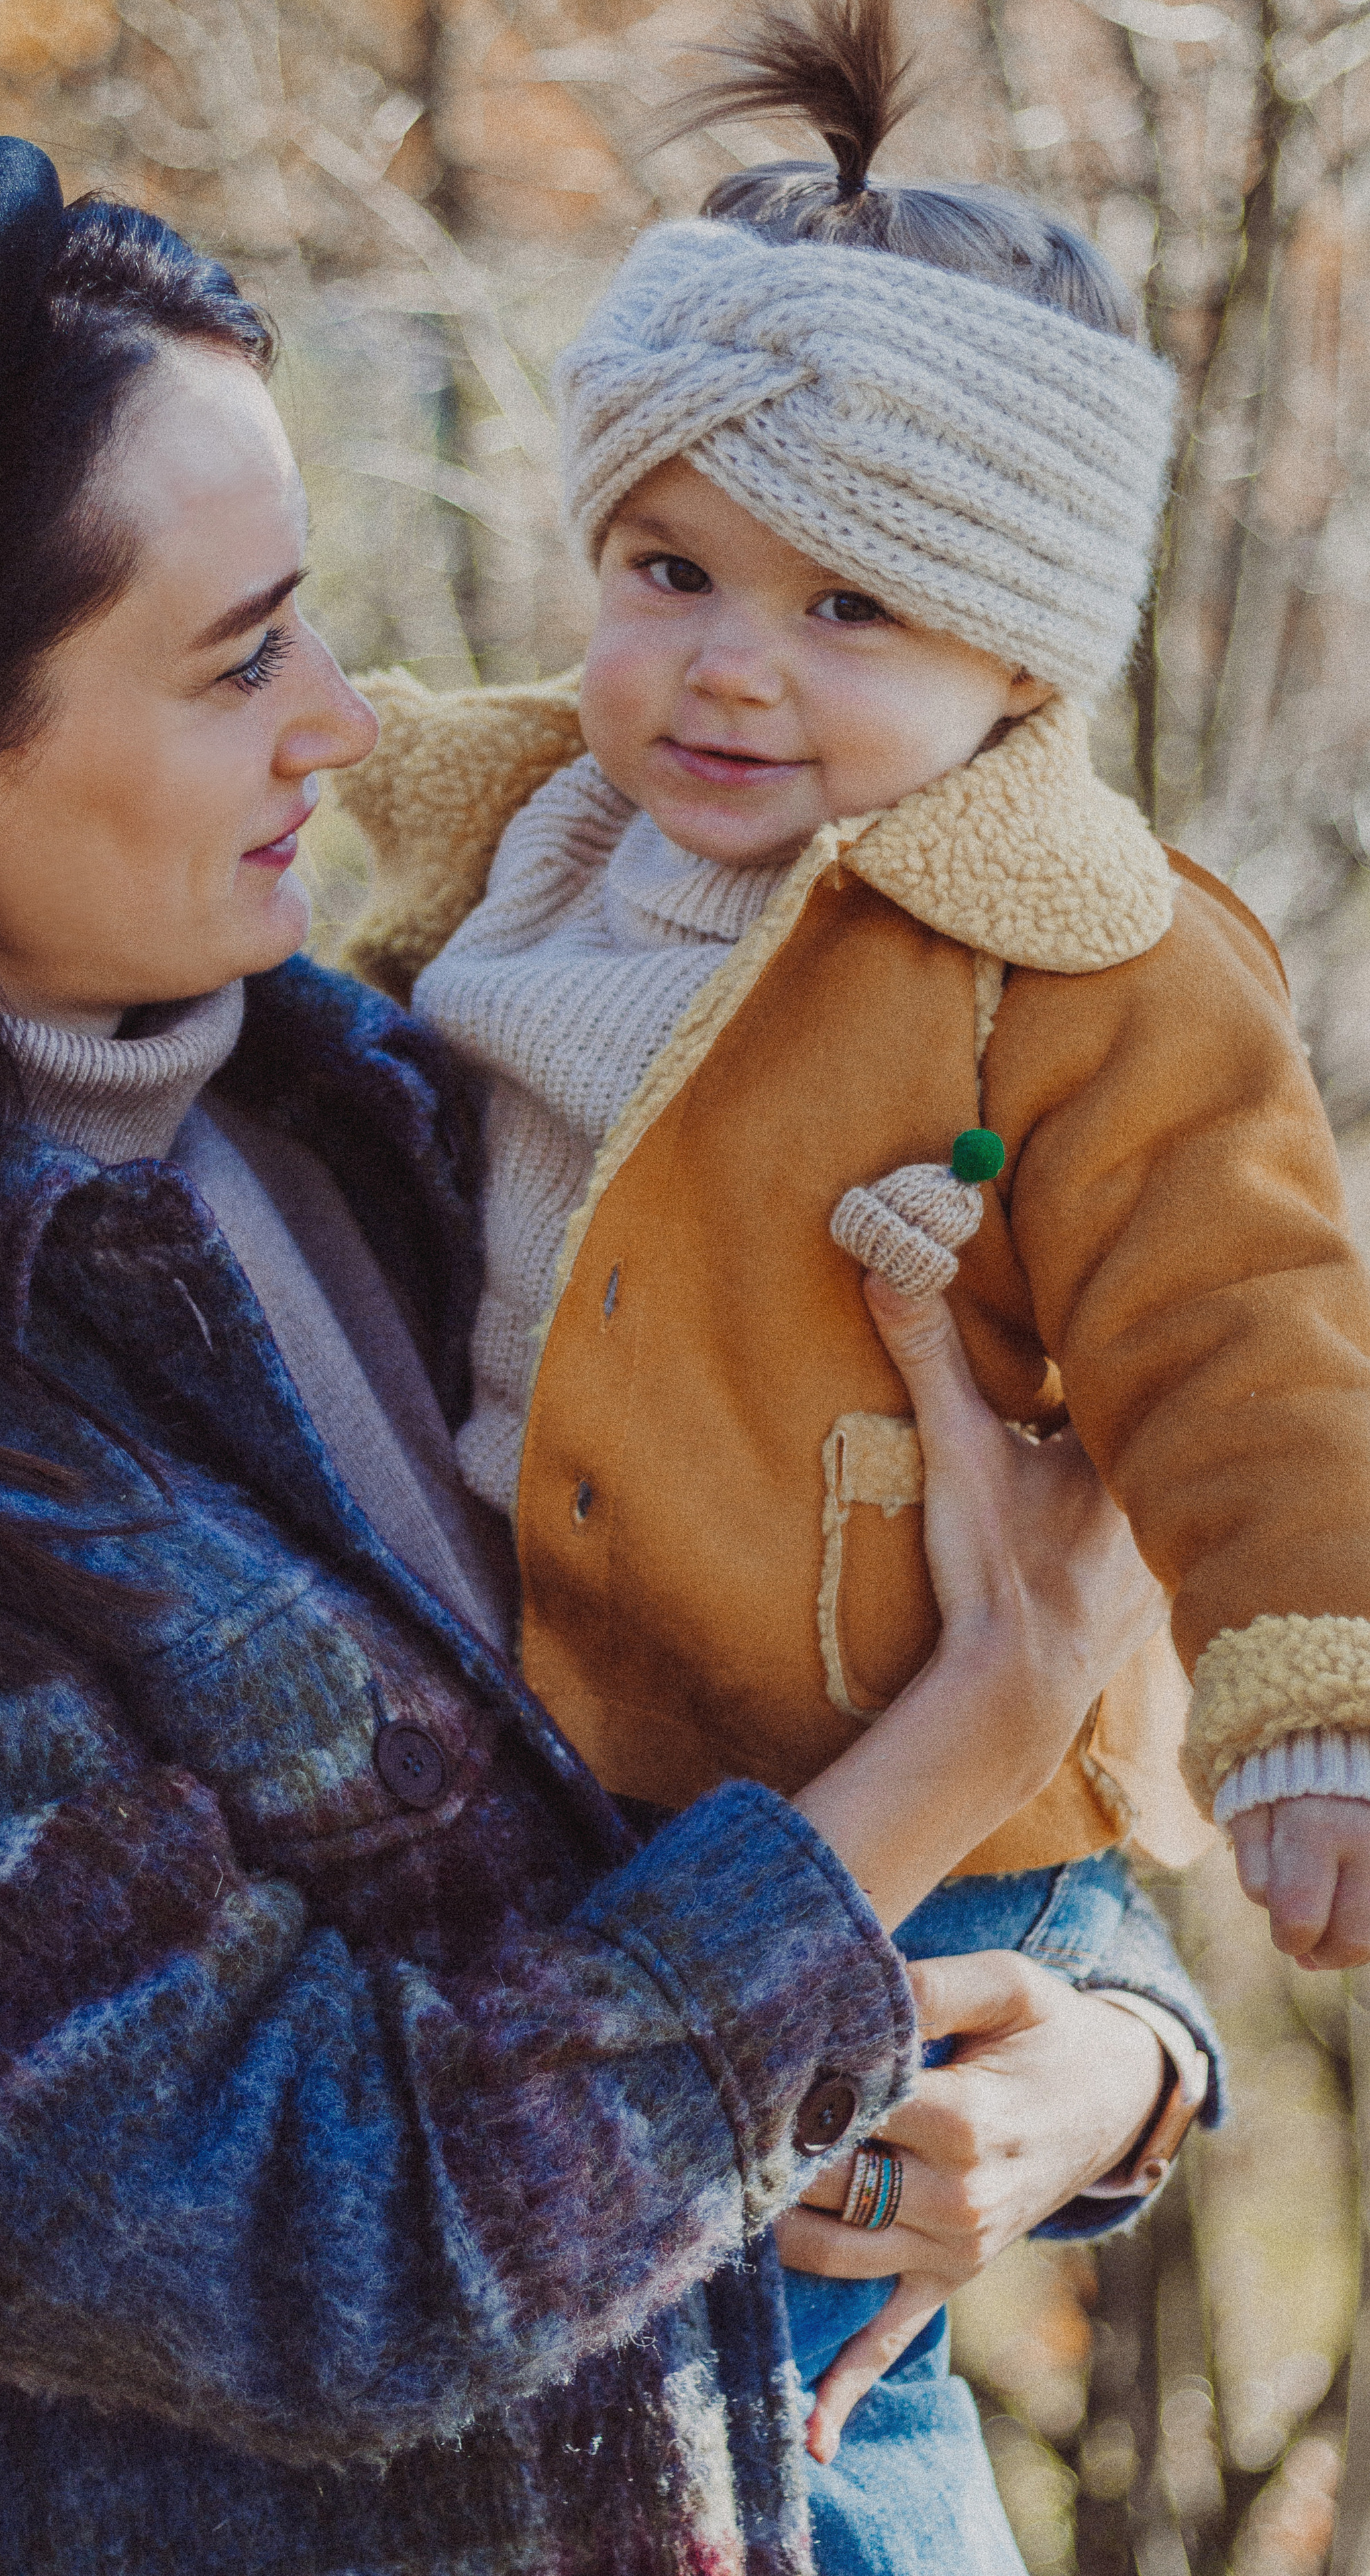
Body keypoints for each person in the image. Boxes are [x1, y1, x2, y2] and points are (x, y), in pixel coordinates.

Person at [0, 138, 1210, 2576]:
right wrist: (966, 1747)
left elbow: (822, 1675)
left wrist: (1105, 2063)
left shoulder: (418, 1111)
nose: (351, 719)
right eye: (237, 654)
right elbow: (337, 2239)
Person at [329, 0, 1370, 2540]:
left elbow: (1254, 1337)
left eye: (851, 608)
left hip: (897, 1824)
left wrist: (1310, 1706)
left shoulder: (1080, 958)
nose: (732, 666)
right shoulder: (508, 855)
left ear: (1021, 662)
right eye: (670, 572)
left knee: (819, 2394)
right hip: (550, 1799)